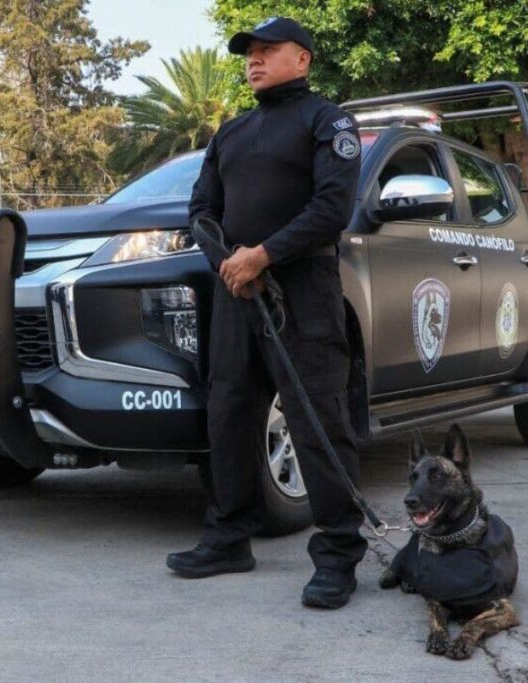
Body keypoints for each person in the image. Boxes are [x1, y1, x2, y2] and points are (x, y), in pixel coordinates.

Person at [167, 17, 366, 609]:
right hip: (238, 293)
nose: (253, 60)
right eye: (249, 53)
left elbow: (333, 207)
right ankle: (229, 538)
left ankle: (337, 556)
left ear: (302, 59)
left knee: (316, 418)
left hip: (303, 293)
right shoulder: (231, 131)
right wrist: (230, 261)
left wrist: (265, 254)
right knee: (228, 414)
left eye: (267, 50)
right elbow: (202, 208)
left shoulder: (327, 121)